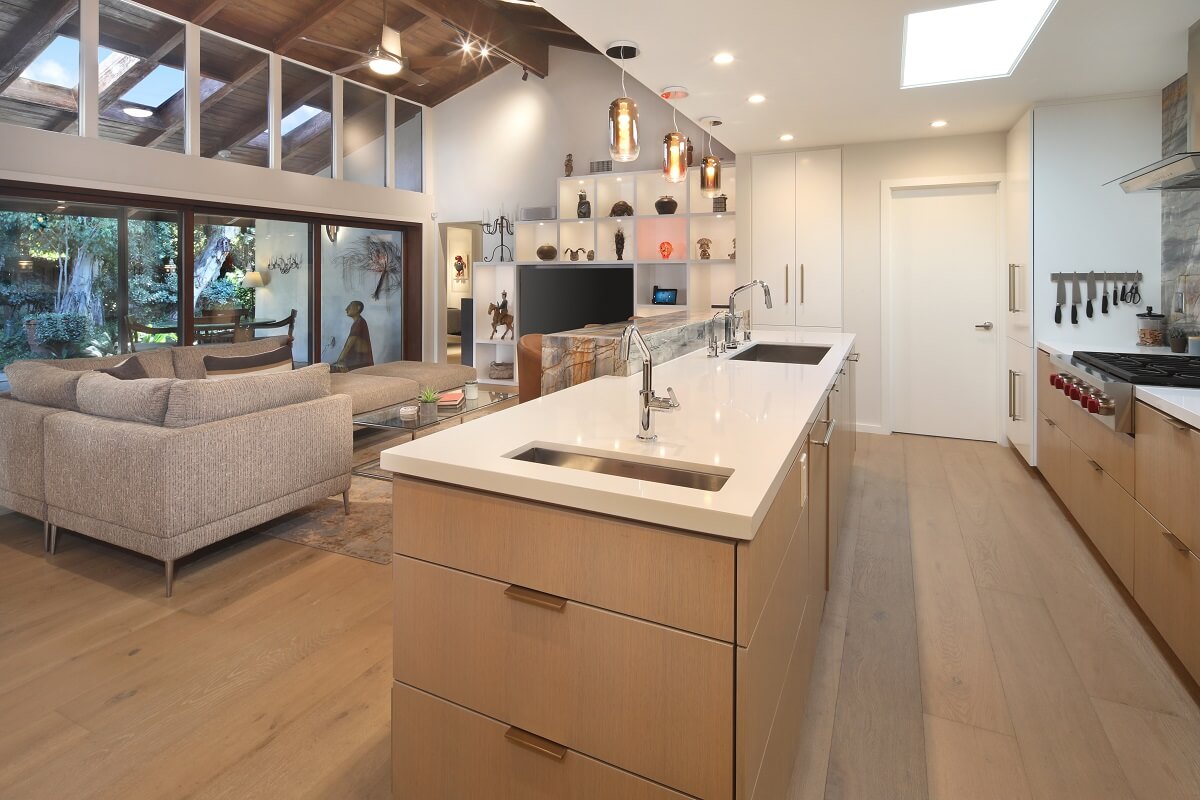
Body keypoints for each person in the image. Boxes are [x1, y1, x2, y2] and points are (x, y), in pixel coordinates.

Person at [333, 300, 374, 372]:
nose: (346, 309)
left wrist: (339, 361)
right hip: (358, 360)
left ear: (358, 308)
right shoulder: (359, 322)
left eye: (350, 306)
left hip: (360, 362)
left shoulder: (359, 322)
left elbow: (349, 344)